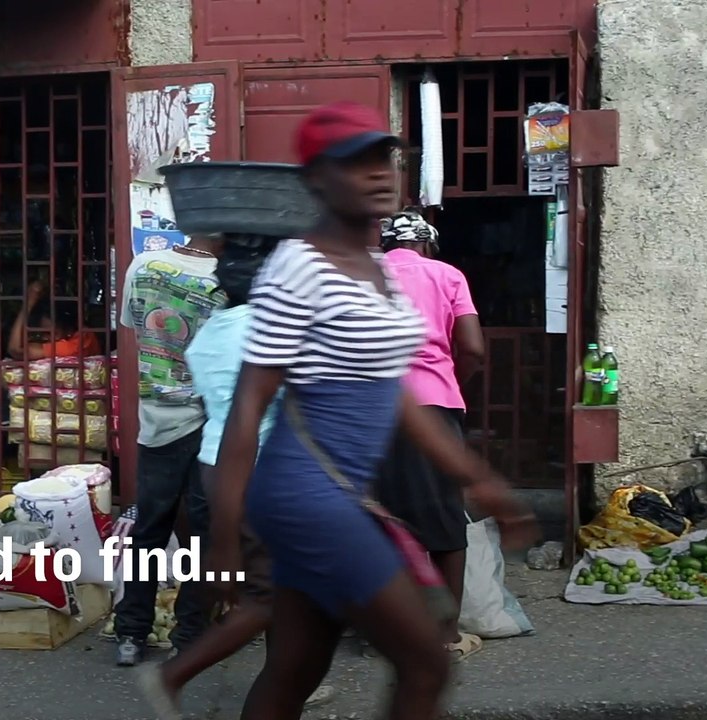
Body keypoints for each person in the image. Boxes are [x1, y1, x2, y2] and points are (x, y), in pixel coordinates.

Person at [206, 101, 536, 720]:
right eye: (357, 162)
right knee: (427, 662)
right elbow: (248, 407)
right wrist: (224, 540)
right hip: (309, 498)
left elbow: (396, 394)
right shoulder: (298, 267)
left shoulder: (378, 272)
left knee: (296, 667)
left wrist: (477, 478)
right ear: (318, 180)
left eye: (385, 157)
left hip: (347, 493)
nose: (381, 172)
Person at [136, 234, 334, 718]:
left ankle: (286, 680)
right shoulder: (271, 332)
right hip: (260, 467)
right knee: (271, 594)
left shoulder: (209, 335)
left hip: (214, 465)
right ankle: (179, 674)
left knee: (273, 587)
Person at [375, 210, 487, 661]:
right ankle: (445, 634)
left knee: (382, 517)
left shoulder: (360, 275)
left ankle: (387, 632)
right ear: (427, 244)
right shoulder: (447, 275)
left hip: (370, 409)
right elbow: (473, 347)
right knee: (443, 515)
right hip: (434, 405)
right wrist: (452, 381)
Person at [114, 236, 227, 667]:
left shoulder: (142, 265)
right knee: (203, 533)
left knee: (149, 529)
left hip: (156, 417)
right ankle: (189, 635)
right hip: (206, 419)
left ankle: (131, 632)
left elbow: (134, 329)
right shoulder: (224, 280)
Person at [7, 280, 102, 360]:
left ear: (68, 328)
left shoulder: (73, 346)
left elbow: (16, 349)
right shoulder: (84, 333)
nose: (46, 338)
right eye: (43, 333)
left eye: (50, 333)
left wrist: (29, 303)